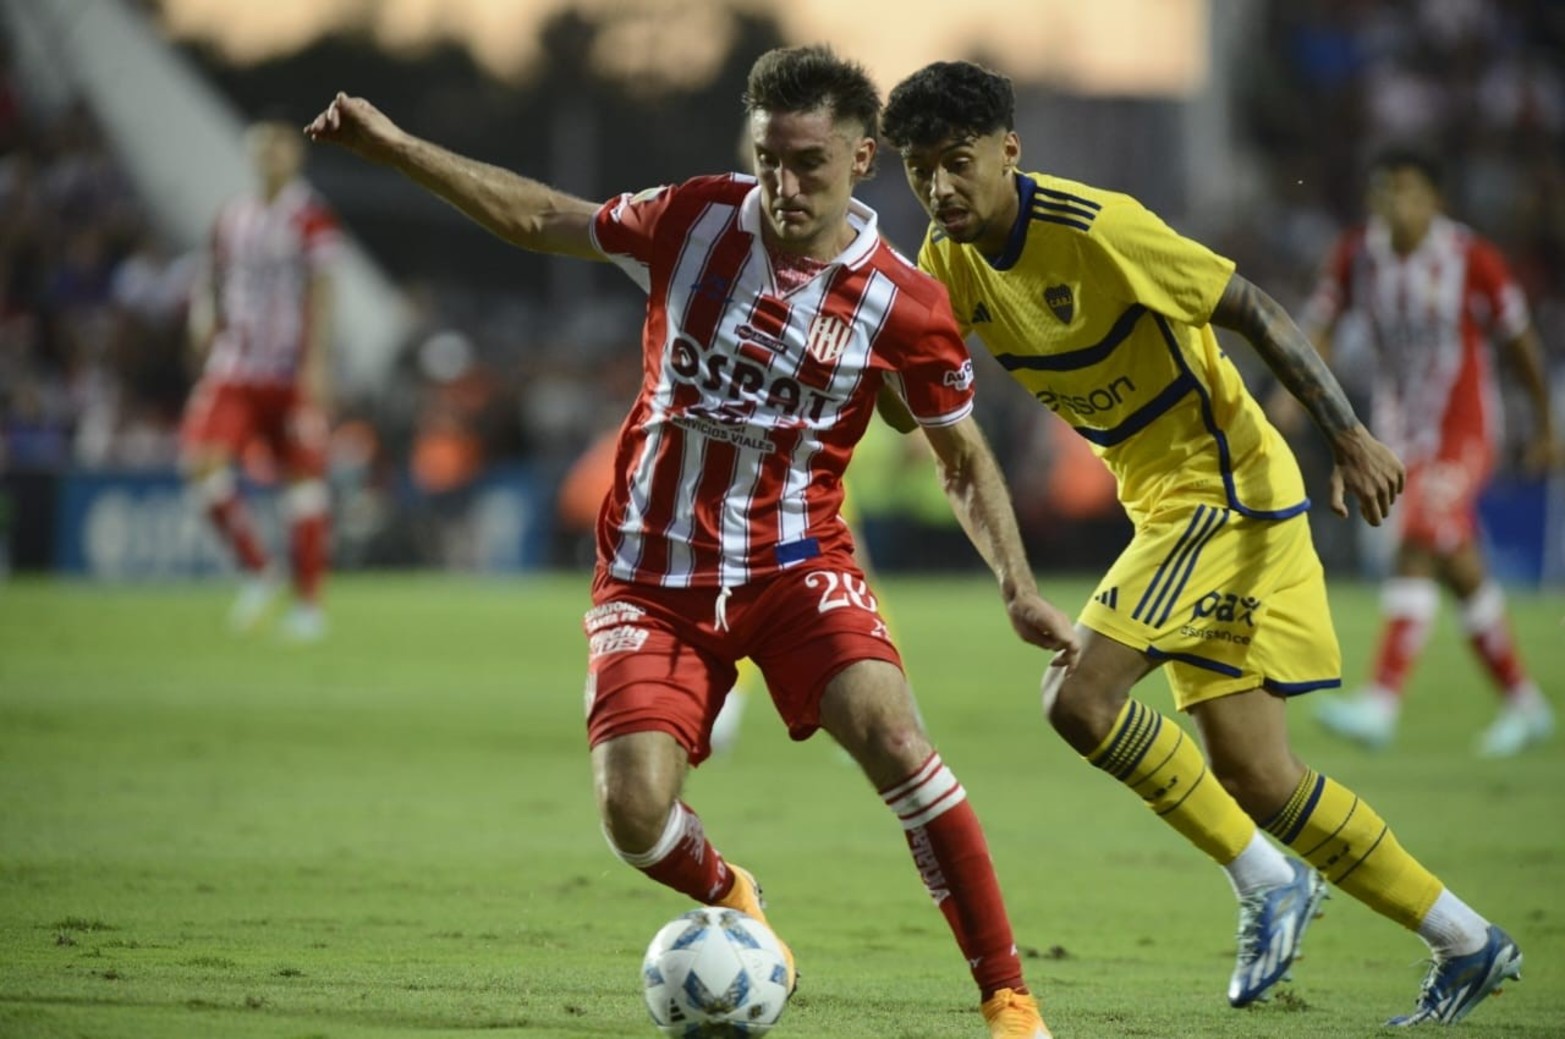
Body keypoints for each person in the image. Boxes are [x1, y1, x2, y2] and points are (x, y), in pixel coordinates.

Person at [307, 45, 1078, 1039]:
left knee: (894, 736)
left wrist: (1015, 586)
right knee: (632, 812)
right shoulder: (692, 218)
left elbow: (961, 458)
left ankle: (1008, 1000)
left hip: (796, 564)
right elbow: (543, 218)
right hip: (649, 574)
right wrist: (399, 147)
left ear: (860, 161)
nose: (783, 186)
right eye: (768, 160)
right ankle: (731, 891)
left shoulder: (905, 301)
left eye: (807, 163)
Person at [881, 60, 1521, 1027]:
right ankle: (1466, 939)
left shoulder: (1099, 228)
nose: (938, 188)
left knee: (1077, 695)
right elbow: (908, 405)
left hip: (1221, 492)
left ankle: (1268, 883)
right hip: (1169, 505)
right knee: (1257, 773)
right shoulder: (945, 259)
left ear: (1009, 150)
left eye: (957, 162)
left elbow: (1252, 307)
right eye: (919, 169)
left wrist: (1344, 430)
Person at [1298, 148, 1556, 758]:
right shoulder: (1358, 257)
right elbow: (1318, 330)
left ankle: (1381, 704)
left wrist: (1545, 424)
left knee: (1418, 537)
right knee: (1457, 562)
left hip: (1464, 427)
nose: (1394, 203)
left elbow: (1520, 345)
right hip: (1396, 433)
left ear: (1435, 200)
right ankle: (1525, 703)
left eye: (1408, 191)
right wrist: (1297, 395)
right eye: (1384, 191)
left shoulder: (1471, 260)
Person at [182, 120, 336, 641]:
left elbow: (323, 287)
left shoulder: (310, 217)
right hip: (236, 366)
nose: (271, 156)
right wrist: (203, 318)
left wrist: (317, 362)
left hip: (288, 371)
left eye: (280, 147)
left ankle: (309, 608)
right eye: (263, 147)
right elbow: (213, 277)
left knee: (304, 484)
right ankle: (259, 570)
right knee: (201, 463)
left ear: (295, 156)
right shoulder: (233, 217)